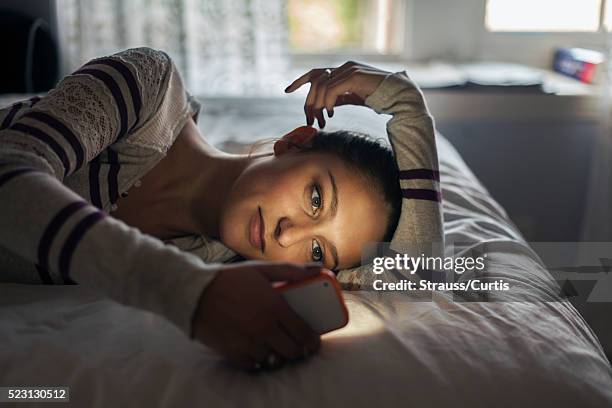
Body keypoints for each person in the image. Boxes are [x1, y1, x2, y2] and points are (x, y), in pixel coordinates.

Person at [0, 47, 443, 371]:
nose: (288, 236)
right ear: (293, 143)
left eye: (316, 253)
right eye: (315, 198)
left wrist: (410, 111)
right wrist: (188, 293)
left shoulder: (221, 259)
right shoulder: (148, 91)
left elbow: (418, 275)